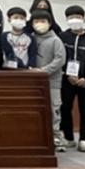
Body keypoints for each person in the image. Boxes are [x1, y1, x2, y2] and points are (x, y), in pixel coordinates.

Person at [59, 5, 85, 152]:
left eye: (77, 17)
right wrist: (67, 74)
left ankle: (84, 139)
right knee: (65, 108)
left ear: (84, 18)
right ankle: (69, 137)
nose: (74, 20)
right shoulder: (63, 37)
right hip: (67, 80)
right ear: (66, 20)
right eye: (71, 17)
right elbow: (60, 57)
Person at [30, 9, 67, 151]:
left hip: (52, 82)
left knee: (53, 110)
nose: (39, 24)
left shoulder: (55, 40)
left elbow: (60, 60)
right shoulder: (30, 39)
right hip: (33, 82)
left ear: (49, 23)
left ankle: (56, 137)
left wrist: (43, 71)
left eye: (43, 21)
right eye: (36, 21)